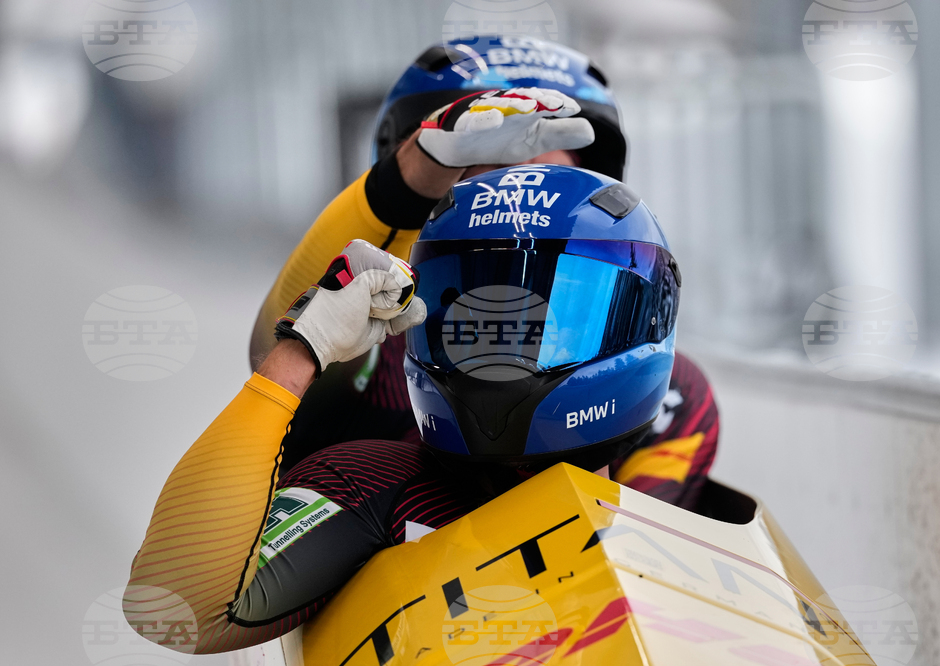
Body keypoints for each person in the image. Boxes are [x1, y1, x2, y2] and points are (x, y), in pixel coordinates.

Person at [127, 165, 681, 654]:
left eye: (543, 324)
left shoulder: (679, 447)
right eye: (475, 324)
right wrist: (301, 350)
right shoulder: (366, 483)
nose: (505, 351)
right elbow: (170, 611)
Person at [249, 35, 718, 508]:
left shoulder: (674, 392)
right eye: (496, 161)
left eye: (543, 159)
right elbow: (273, 349)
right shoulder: (374, 356)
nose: (522, 190)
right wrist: (400, 183)